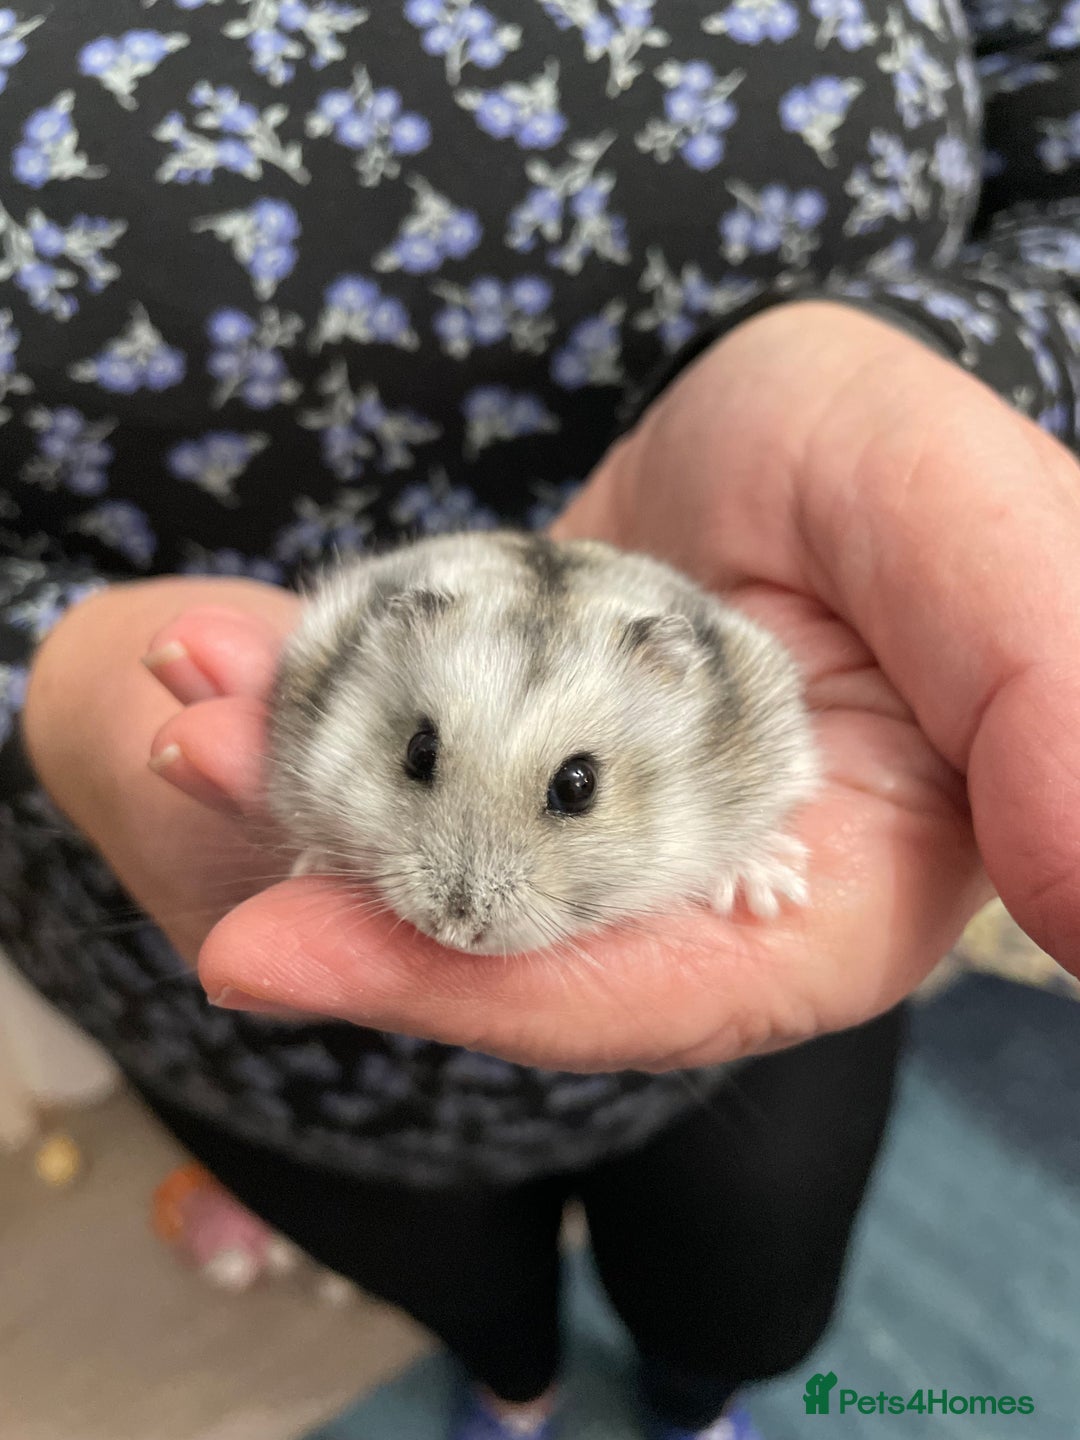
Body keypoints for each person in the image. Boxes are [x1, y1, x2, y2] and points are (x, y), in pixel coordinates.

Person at [4, 2, 1080, 1436]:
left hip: (738, 1033)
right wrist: (48, 671)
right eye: (420, 761)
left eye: (571, 789)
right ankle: (516, 1390)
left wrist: (923, 373)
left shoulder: (734, 710)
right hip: (261, 1036)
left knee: (750, 1292)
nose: (463, 898)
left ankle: (685, 1406)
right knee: (456, 1285)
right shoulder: (349, 669)